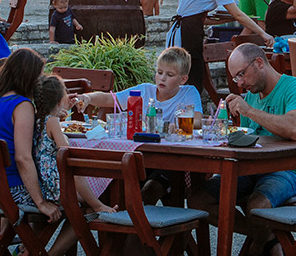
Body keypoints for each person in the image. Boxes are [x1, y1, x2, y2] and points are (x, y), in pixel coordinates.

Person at [194, 44, 296, 255]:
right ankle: (268, 240)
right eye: (235, 78)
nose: (240, 83)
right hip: (251, 170)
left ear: (259, 63)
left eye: (241, 74)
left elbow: (295, 129)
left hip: (291, 171)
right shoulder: (251, 96)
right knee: (198, 200)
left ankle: (263, 243)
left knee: (257, 206)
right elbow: (250, 140)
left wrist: (249, 111)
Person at [73, 47, 202, 199]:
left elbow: (198, 121)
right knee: (119, 185)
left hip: (172, 159)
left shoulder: (188, 93)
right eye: (159, 72)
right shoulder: (145, 91)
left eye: (169, 75)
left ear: (183, 79)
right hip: (141, 156)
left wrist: (178, 125)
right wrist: (88, 98)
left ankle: (142, 219)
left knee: (150, 190)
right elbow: (110, 99)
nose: (162, 78)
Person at [25, 75, 115, 256]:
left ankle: (34, 250)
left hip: (41, 183)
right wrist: (63, 134)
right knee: (75, 170)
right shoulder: (52, 122)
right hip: (55, 187)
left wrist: (61, 113)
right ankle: (98, 206)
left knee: (81, 209)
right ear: (60, 100)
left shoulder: (36, 119)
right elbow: (66, 151)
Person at [171, 0, 272, 95]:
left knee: (187, 77)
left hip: (182, 29)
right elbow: (237, 13)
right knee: (193, 79)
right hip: (190, 33)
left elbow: (197, 16)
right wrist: (263, 33)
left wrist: (225, 19)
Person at [0, 49, 60, 222]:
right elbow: (22, 158)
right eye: (39, 75)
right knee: (79, 204)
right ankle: (42, 250)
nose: (40, 81)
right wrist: (40, 202)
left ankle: (26, 247)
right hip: (10, 191)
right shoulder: (21, 105)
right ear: (28, 76)